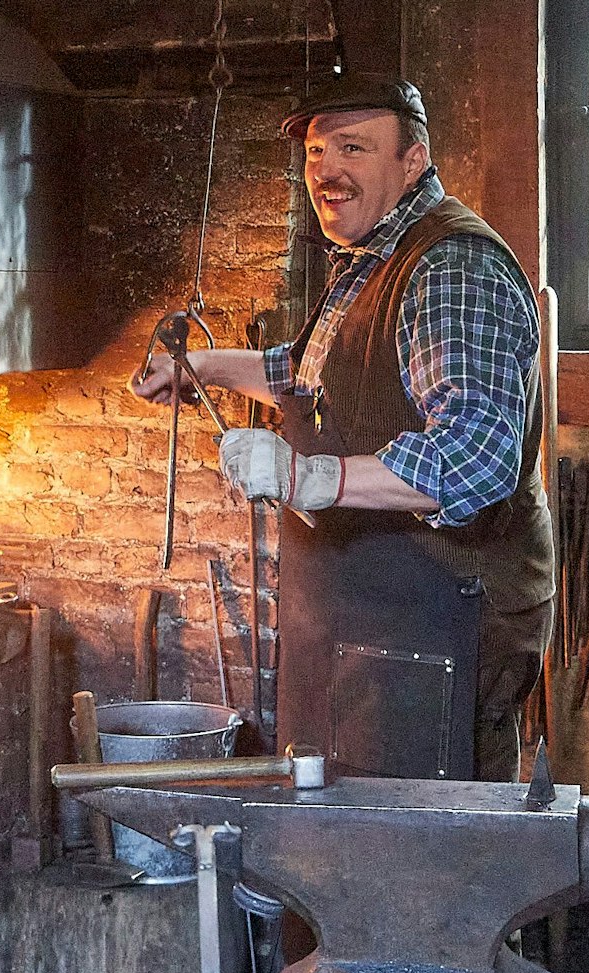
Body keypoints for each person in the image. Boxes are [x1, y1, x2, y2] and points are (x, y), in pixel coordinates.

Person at [132, 73, 553, 783]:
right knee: (352, 840)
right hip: (374, 615)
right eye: (317, 153)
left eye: (353, 148)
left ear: (411, 162)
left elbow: (475, 458)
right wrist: (201, 366)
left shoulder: (450, 265)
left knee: (426, 858)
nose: (327, 172)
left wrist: (305, 477)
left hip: (440, 619)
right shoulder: (373, 255)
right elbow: (312, 371)